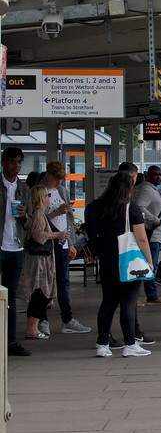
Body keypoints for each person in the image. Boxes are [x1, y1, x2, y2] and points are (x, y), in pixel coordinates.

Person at [85, 172, 154, 357]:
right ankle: (130, 344)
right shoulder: (130, 209)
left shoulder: (97, 208)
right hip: (128, 261)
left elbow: (94, 235)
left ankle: (102, 344)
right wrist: (149, 261)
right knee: (128, 303)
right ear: (129, 188)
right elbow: (142, 238)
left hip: (107, 260)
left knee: (107, 303)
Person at [38, 160, 91, 335]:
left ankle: (67, 319)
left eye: (61, 179)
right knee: (46, 281)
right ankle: (41, 318)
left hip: (63, 241)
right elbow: (37, 219)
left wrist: (71, 243)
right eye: (56, 178)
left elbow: (68, 219)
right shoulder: (40, 191)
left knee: (63, 281)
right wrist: (56, 213)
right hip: (47, 241)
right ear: (48, 175)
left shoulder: (62, 191)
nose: (59, 182)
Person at [18, 185, 70, 340]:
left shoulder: (38, 214)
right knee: (41, 293)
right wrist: (57, 234)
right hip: (39, 260)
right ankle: (32, 328)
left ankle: (33, 327)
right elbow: (38, 235)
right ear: (41, 197)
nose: (49, 199)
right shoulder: (39, 214)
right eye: (47, 196)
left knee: (40, 293)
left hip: (40, 259)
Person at [1, 147, 34, 356]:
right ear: (4, 162)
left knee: (11, 296)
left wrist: (24, 216)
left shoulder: (24, 189)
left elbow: (31, 220)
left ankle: (10, 341)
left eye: (19, 162)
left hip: (16, 247)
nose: (16, 166)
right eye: (12, 162)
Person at [134, 165, 161, 304]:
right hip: (151, 234)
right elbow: (139, 206)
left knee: (148, 266)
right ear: (148, 176)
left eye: (160, 174)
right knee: (148, 266)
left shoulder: (155, 190)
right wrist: (153, 219)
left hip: (155, 235)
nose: (158, 177)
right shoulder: (147, 189)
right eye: (155, 174)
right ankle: (149, 295)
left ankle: (149, 295)